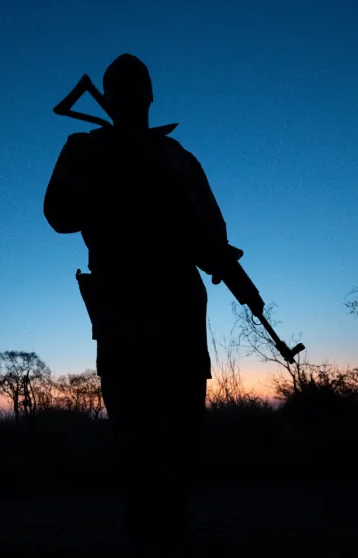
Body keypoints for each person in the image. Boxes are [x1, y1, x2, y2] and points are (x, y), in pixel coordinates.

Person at [44, 54, 237, 557]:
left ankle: (175, 529)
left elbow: (211, 234)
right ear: (108, 96)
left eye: (138, 86)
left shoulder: (178, 157)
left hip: (180, 306)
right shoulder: (86, 149)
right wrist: (118, 187)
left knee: (184, 432)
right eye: (121, 87)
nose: (132, 95)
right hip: (124, 307)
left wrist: (219, 256)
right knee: (134, 434)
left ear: (151, 95)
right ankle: (145, 536)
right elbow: (58, 214)